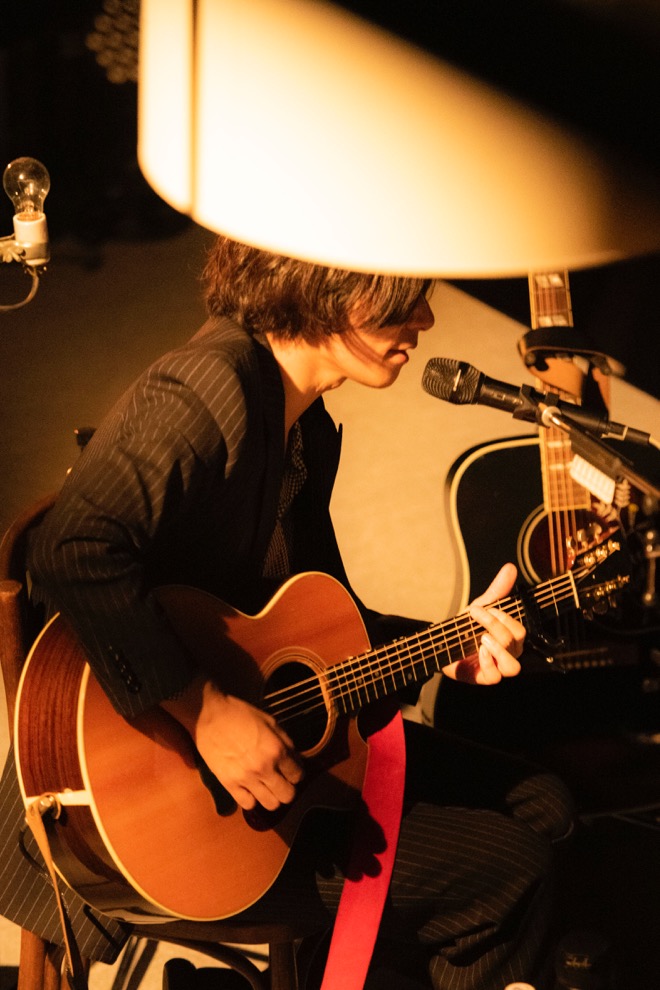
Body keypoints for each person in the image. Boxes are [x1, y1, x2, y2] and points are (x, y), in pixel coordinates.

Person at [0, 235, 574, 989]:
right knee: (510, 872)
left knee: (545, 801)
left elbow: (314, 627)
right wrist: (206, 711)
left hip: (273, 749)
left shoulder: (301, 425)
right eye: (405, 297)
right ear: (329, 285)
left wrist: (446, 644)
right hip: (159, 804)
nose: (426, 320)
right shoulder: (204, 387)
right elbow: (73, 548)